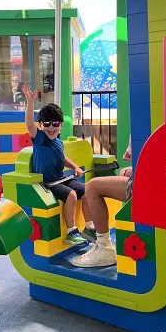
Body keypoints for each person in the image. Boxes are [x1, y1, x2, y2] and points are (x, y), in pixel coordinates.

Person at [23, 84, 96, 246]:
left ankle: (89, 227)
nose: (51, 127)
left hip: (60, 178)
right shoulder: (40, 139)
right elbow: (29, 125)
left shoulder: (58, 142)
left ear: (61, 125)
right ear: (41, 125)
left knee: (88, 191)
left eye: (55, 124)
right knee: (71, 195)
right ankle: (71, 232)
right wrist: (29, 102)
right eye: (47, 123)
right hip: (47, 182)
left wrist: (75, 167)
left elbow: (63, 159)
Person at [71, 135, 134, 267]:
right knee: (121, 173)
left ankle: (104, 246)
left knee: (92, 187)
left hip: (149, 185)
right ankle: (93, 230)